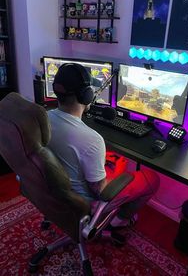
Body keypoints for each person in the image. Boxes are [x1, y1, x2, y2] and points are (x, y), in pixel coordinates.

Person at [47, 63, 160, 228]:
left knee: (116, 161)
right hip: (84, 202)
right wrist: (113, 178)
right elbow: (100, 191)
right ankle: (118, 222)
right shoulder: (92, 139)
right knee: (152, 178)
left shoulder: (43, 118)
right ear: (86, 96)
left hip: (57, 191)